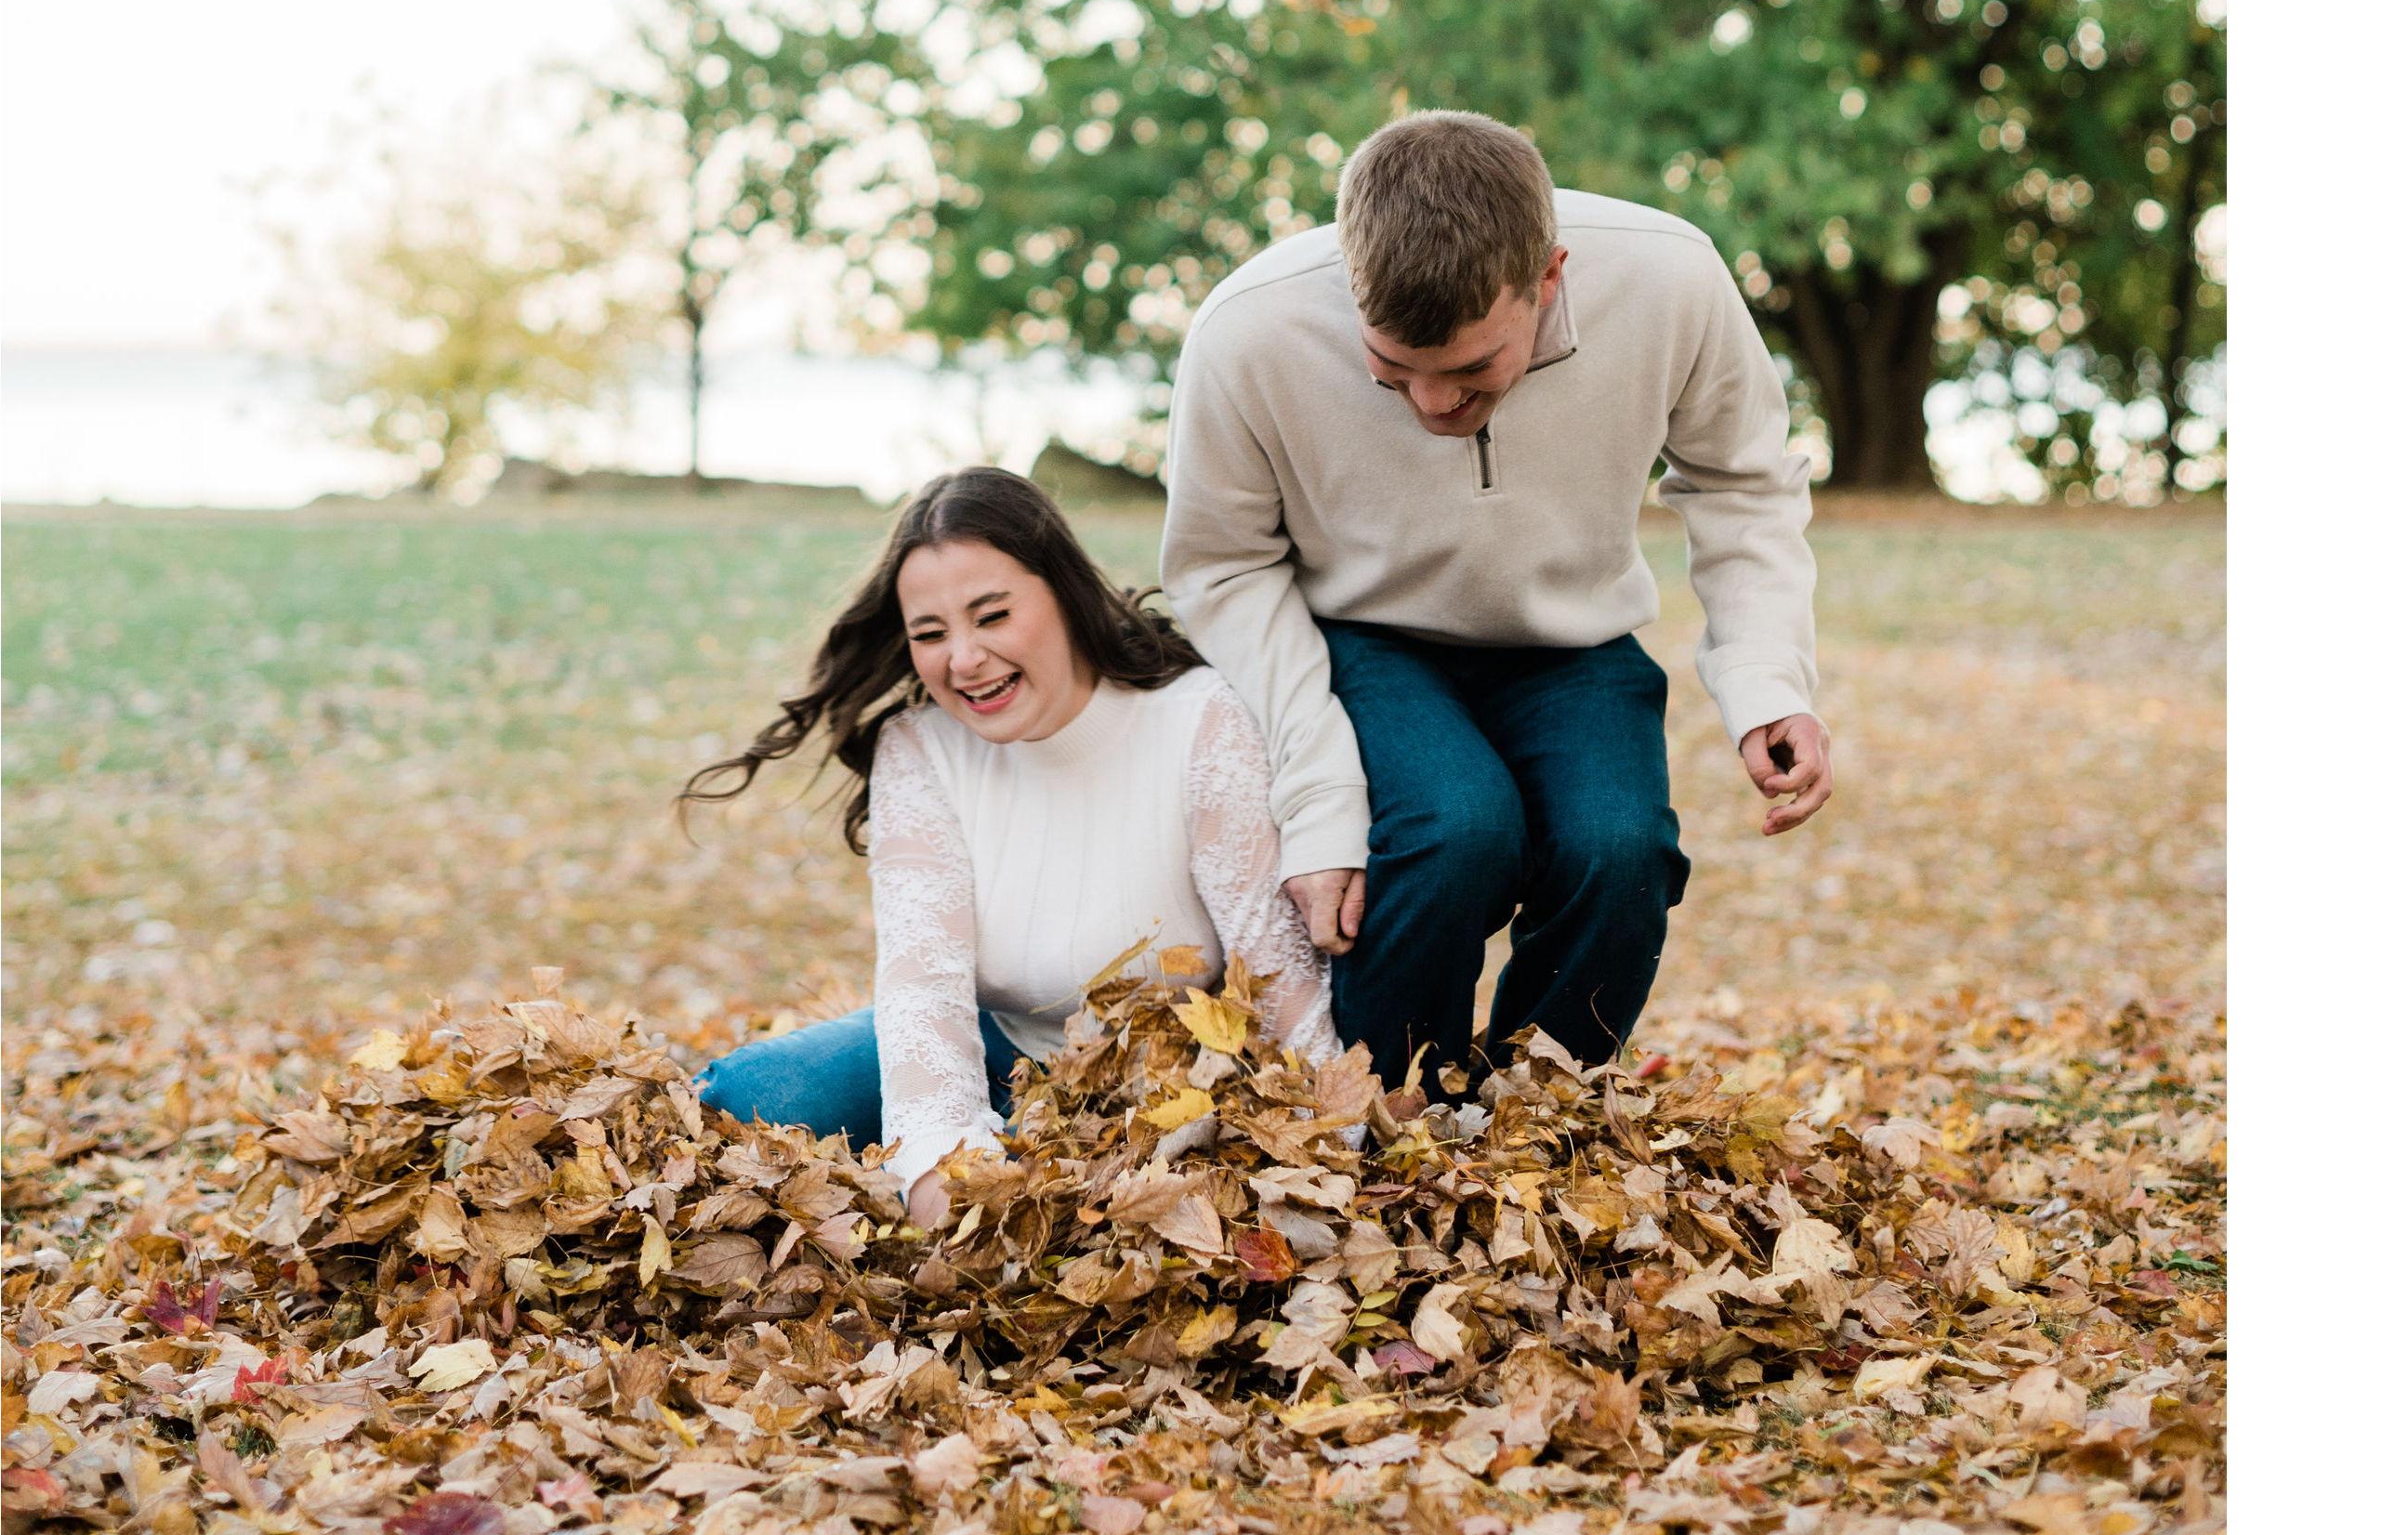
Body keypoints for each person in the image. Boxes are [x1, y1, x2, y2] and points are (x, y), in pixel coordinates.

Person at [1163, 110, 1827, 1090]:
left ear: (1549, 277)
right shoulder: (1248, 332)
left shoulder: (1672, 279)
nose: (1434, 404)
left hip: (1572, 637)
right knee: (1455, 831)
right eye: (1393, 372)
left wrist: (1768, 679)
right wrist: (1318, 798)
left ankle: (1538, 1121)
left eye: (1472, 369)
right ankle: (1386, 1124)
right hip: (1363, 634)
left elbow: (1742, 482)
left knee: (1620, 851)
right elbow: (1221, 566)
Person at [685, 465, 1336, 1218]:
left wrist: (1317, 1143)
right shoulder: (921, 749)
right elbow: (923, 986)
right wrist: (946, 1176)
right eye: (930, 634)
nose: (963, 659)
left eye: (992, 616)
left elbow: (1279, 971)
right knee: (744, 1098)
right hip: (998, 1047)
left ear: (1063, 592)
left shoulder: (1198, 720)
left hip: (1171, 1083)